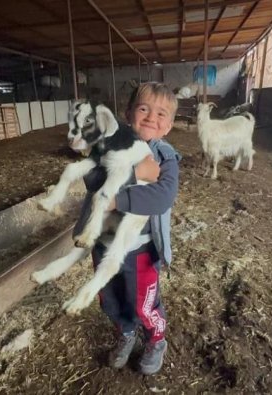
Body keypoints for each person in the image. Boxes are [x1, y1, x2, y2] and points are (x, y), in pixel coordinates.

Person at [73, 82, 180, 375]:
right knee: (109, 298)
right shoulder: (108, 145)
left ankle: (156, 339)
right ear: (127, 113)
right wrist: (135, 173)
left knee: (143, 303)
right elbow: (91, 179)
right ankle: (126, 332)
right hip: (104, 243)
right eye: (143, 109)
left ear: (168, 126)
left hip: (141, 249)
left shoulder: (166, 157)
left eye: (161, 114)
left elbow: (162, 196)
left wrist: (114, 199)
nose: (150, 117)